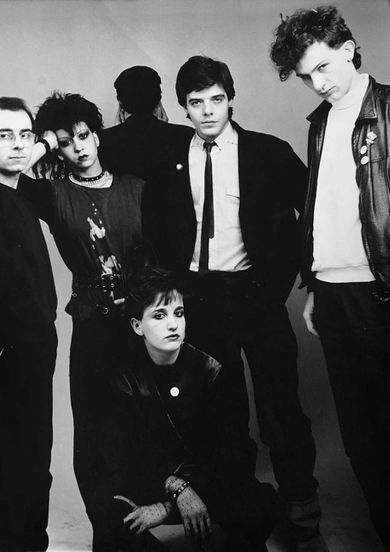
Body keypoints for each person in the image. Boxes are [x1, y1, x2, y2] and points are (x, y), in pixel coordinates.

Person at [153, 55, 326, 552]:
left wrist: (288, 280)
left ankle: (302, 512)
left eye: (216, 99)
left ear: (230, 99)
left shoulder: (266, 152)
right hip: (201, 301)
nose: (208, 111)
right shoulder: (169, 160)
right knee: (221, 414)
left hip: (257, 296)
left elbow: (313, 210)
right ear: (183, 107)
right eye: (196, 102)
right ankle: (242, 513)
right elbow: (156, 226)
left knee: (280, 408)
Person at [270, 5, 390, 549]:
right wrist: (315, 285)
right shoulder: (320, 123)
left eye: (322, 67)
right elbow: (325, 207)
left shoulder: (386, 109)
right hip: (335, 293)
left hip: (381, 289)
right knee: (361, 433)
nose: (317, 84)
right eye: (305, 77)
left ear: (347, 48)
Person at [20, 92, 158, 527]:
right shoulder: (53, 194)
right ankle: (111, 531)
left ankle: (143, 522)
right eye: (66, 142)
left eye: (82, 136)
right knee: (96, 432)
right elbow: (5, 174)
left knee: (143, 422)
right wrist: (43, 142)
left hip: (141, 323)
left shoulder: (137, 187)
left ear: (97, 136)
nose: (78, 148)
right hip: (92, 324)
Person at [87, 265, 279, 552]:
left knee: (259, 503)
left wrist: (173, 505)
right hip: (152, 484)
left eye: (178, 313)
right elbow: (122, 459)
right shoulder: (122, 378)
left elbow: (231, 454)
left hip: (207, 485)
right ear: (137, 326)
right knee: (106, 510)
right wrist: (173, 487)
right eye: (159, 316)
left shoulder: (210, 370)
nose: (173, 324)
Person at [0, 97, 57, 551]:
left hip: (35, 349)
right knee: (2, 468)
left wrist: (45, 142)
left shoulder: (23, 190)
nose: (18, 144)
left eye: (24, 134)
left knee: (33, 464)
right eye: (3, 135)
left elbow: (31, 154)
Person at [98, 65, 193, 181]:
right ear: (159, 100)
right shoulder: (187, 136)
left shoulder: (100, 141)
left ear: (120, 103)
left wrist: (116, 134)